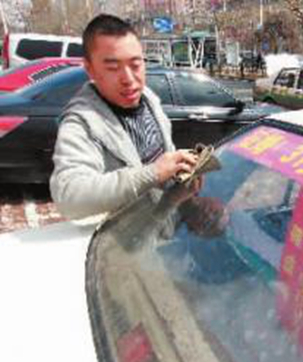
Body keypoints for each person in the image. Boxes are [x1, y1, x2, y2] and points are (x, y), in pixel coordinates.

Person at [50, 14, 198, 220]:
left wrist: (182, 190)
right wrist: (152, 173)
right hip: (122, 247)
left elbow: (163, 164)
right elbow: (69, 197)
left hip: (163, 232)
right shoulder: (81, 122)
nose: (129, 79)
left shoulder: (148, 98)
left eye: (136, 65)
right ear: (89, 69)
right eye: (113, 68)